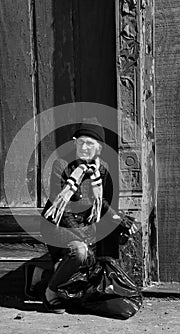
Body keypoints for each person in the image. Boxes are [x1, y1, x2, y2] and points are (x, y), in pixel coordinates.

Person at [29, 118, 137, 313]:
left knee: (89, 270)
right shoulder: (61, 165)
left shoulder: (100, 169)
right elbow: (62, 207)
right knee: (79, 252)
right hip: (57, 224)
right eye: (81, 142)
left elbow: (99, 202)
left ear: (99, 148)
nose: (85, 147)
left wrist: (120, 219)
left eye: (90, 144)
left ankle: (40, 276)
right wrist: (82, 236)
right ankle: (50, 294)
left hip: (84, 224)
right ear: (74, 143)